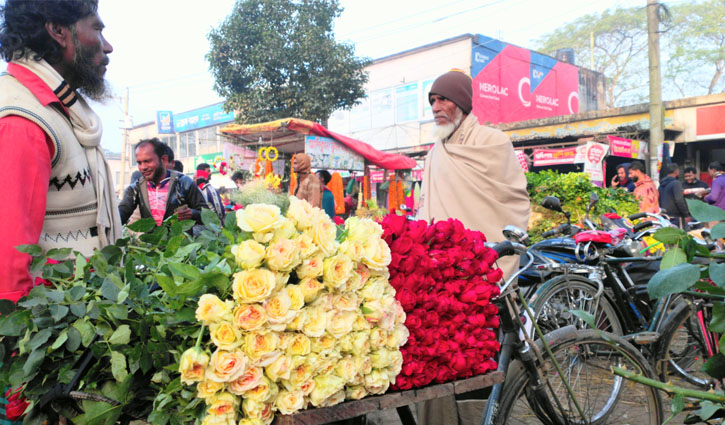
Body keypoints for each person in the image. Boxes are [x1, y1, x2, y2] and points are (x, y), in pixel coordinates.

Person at [417, 70, 530, 425]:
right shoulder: (436, 152)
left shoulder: (492, 142)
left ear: (462, 104)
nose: (437, 107)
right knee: (437, 357)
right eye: (433, 101)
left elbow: (511, 201)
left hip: (483, 271)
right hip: (440, 273)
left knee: (477, 356)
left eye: (444, 99)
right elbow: (426, 208)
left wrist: (487, 255)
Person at [0, 0, 122, 301]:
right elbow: (9, 263)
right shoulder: (22, 120)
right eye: (96, 28)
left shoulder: (58, 110)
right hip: (49, 332)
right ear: (58, 31)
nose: (107, 47)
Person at [118, 138, 207, 226]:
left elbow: (208, 216)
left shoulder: (184, 183)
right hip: (151, 240)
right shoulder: (135, 189)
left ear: (163, 159)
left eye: (147, 161)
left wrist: (192, 213)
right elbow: (121, 214)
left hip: (180, 240)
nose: (143, 167)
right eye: (139, 163)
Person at [658, 164, 689, 228]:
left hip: (664, 217)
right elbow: (679, 200)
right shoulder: (676, 183)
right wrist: (686, 214)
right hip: (676, 217)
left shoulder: (661, 185)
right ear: (676, 171)